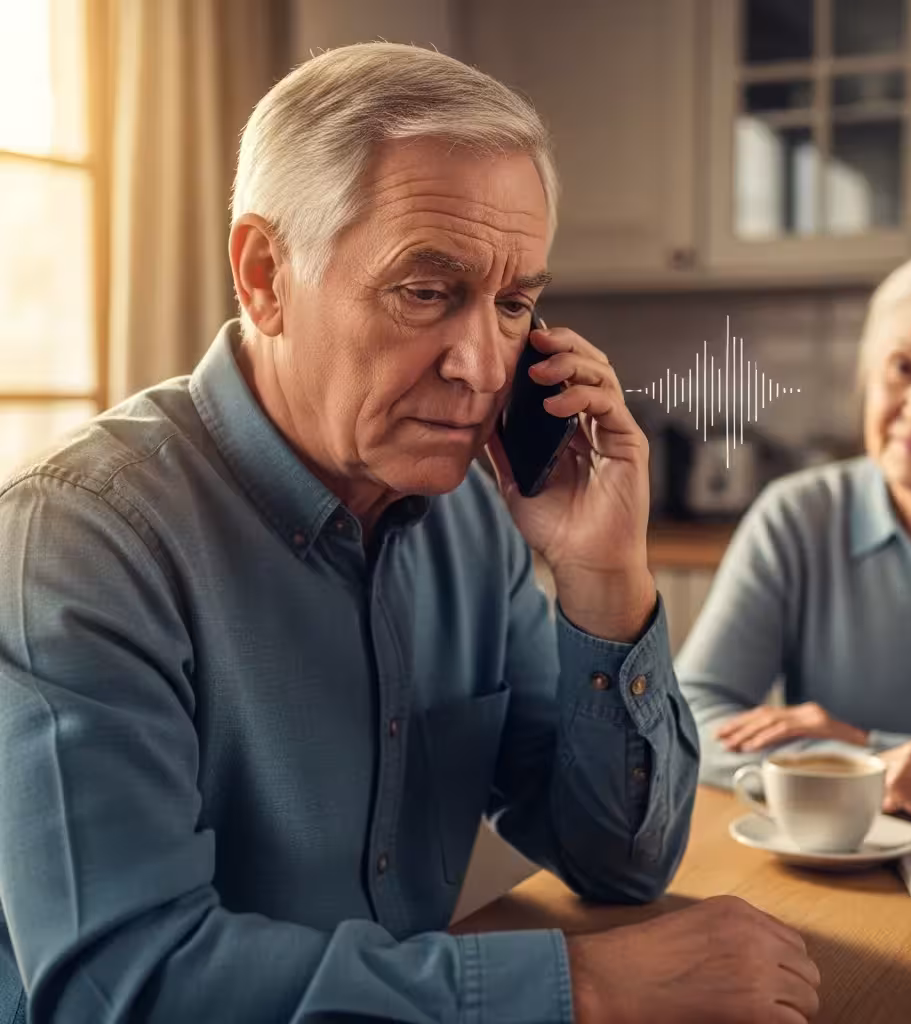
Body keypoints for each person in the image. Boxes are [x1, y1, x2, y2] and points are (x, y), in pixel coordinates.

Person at [0, 44, 821, 1024]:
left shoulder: (471, 513)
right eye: (426, 292)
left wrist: (605, 577)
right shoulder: (78, 542)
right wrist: (585, 988)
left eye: (514, 304)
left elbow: (619, 865)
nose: (480, 366)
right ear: (264, 275)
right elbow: (123, 986)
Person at [676, 243, 911, 827]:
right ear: (868, 378)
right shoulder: (798, 516)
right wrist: (870, 764)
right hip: (832, 850)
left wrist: (865, 745)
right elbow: (691, 718)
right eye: (904, 368)